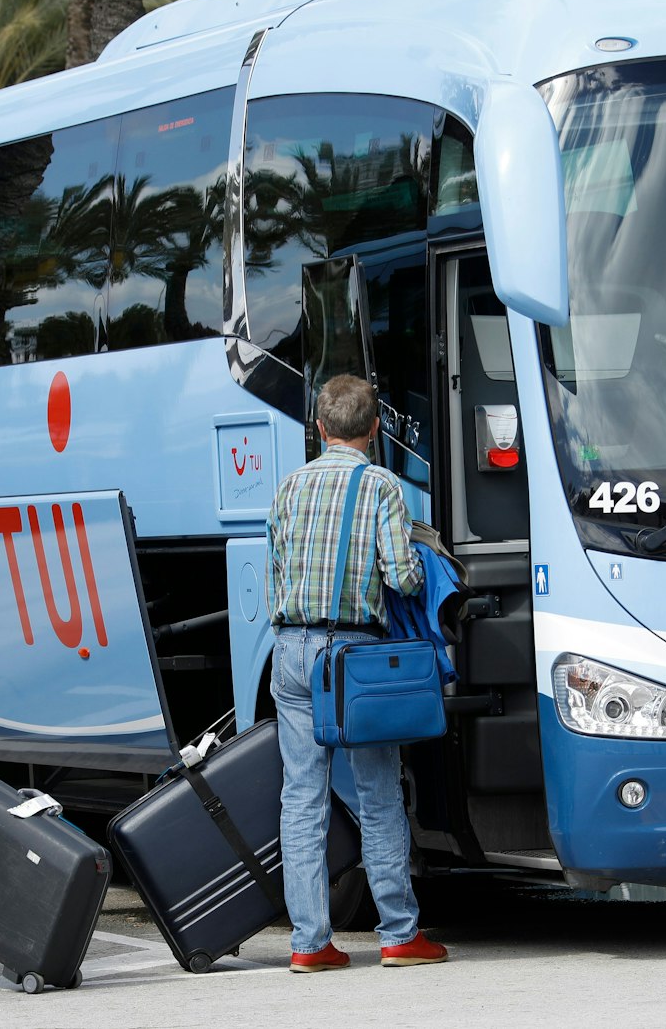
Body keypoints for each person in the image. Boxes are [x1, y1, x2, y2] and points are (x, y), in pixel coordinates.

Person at [267, 374, 444, 972]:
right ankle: (398, 935)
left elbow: (275, 574)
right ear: (374, 428)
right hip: (353, 657)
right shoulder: (381, 488)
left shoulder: (288, 487)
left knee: (301, 797)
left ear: (319, 428)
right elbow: (402, 578)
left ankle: (309, 944)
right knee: (377, 794)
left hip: (291, 651)